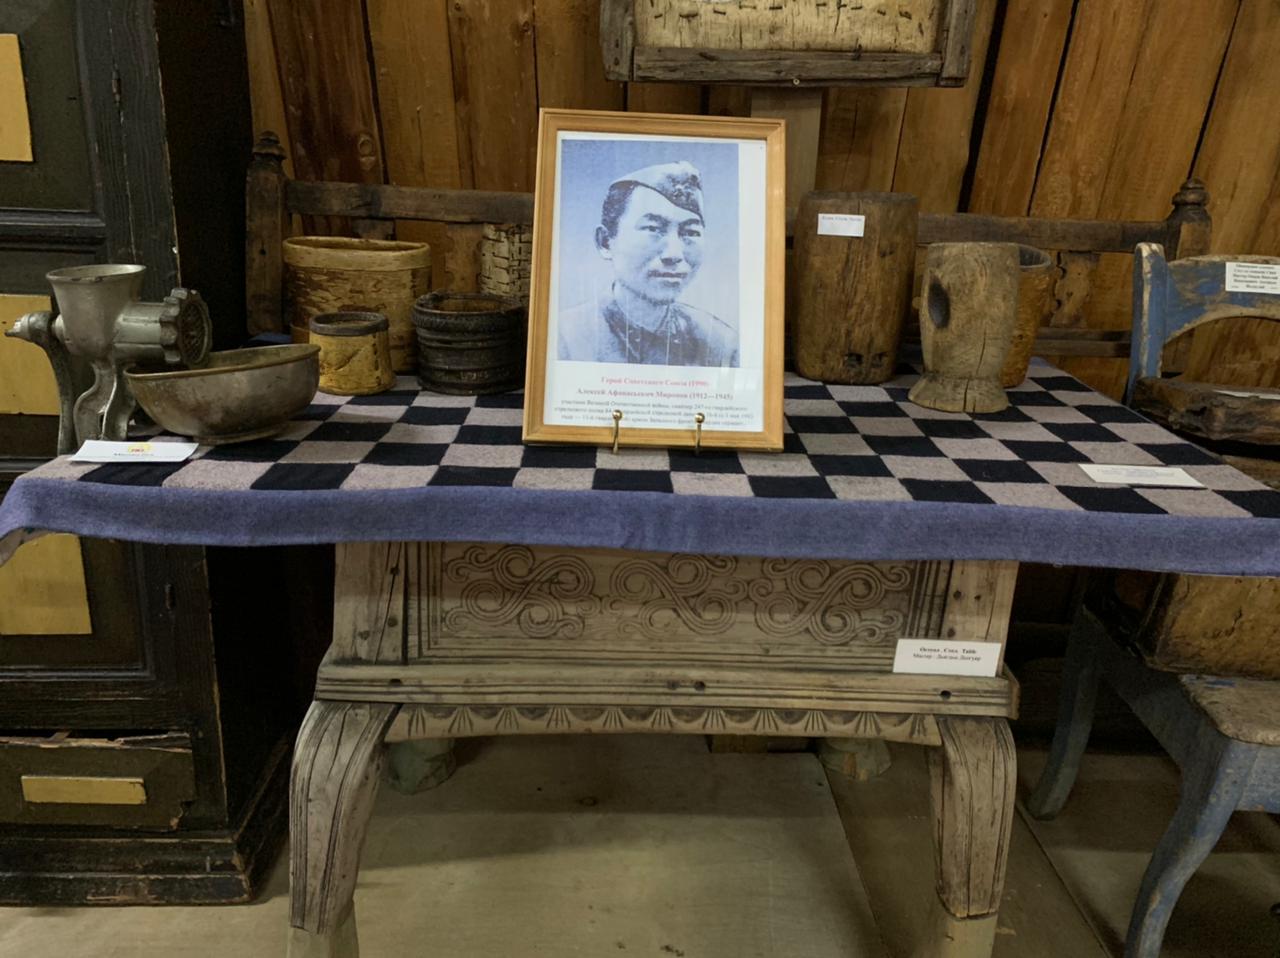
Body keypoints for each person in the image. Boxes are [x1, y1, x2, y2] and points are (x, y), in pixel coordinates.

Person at [558, 160, 739, 367]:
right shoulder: (564, 339)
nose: (674, 254)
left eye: (690, 232)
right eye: (653, 229)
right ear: (606, 242)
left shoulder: (720, 344)